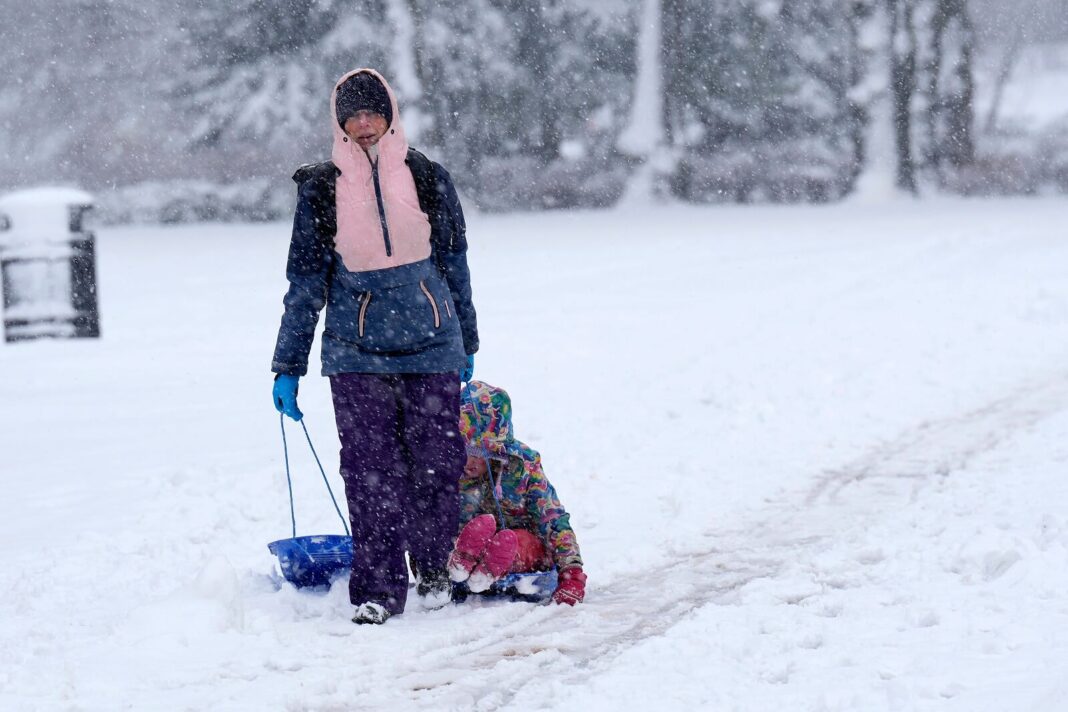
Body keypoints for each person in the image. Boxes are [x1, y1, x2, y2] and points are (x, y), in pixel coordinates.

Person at [270, 68, 479, 625]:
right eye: (353, 115)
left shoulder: (428, 176)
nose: (364, 124)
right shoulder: (320, 187)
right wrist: (288, 364)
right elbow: (306, 281)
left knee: (437, 463)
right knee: (368, 470)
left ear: (389, 115)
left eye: (373, 112)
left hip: (432, 343)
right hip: (354, 350)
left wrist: (469, 339)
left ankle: (435, 568)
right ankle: (378, 590)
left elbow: (455, 264)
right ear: (339, 122)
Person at [448, 381, 586, 605]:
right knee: (459, 534)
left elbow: (552, 518)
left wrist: (572, 573)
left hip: (521, 548)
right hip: (464, 542)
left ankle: (492, 565)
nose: (469, 461)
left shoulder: (523, 466)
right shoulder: (445, 467)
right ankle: (460, 561)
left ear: (495, 450)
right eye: (464, 451)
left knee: (515, 540)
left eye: (478, 453)